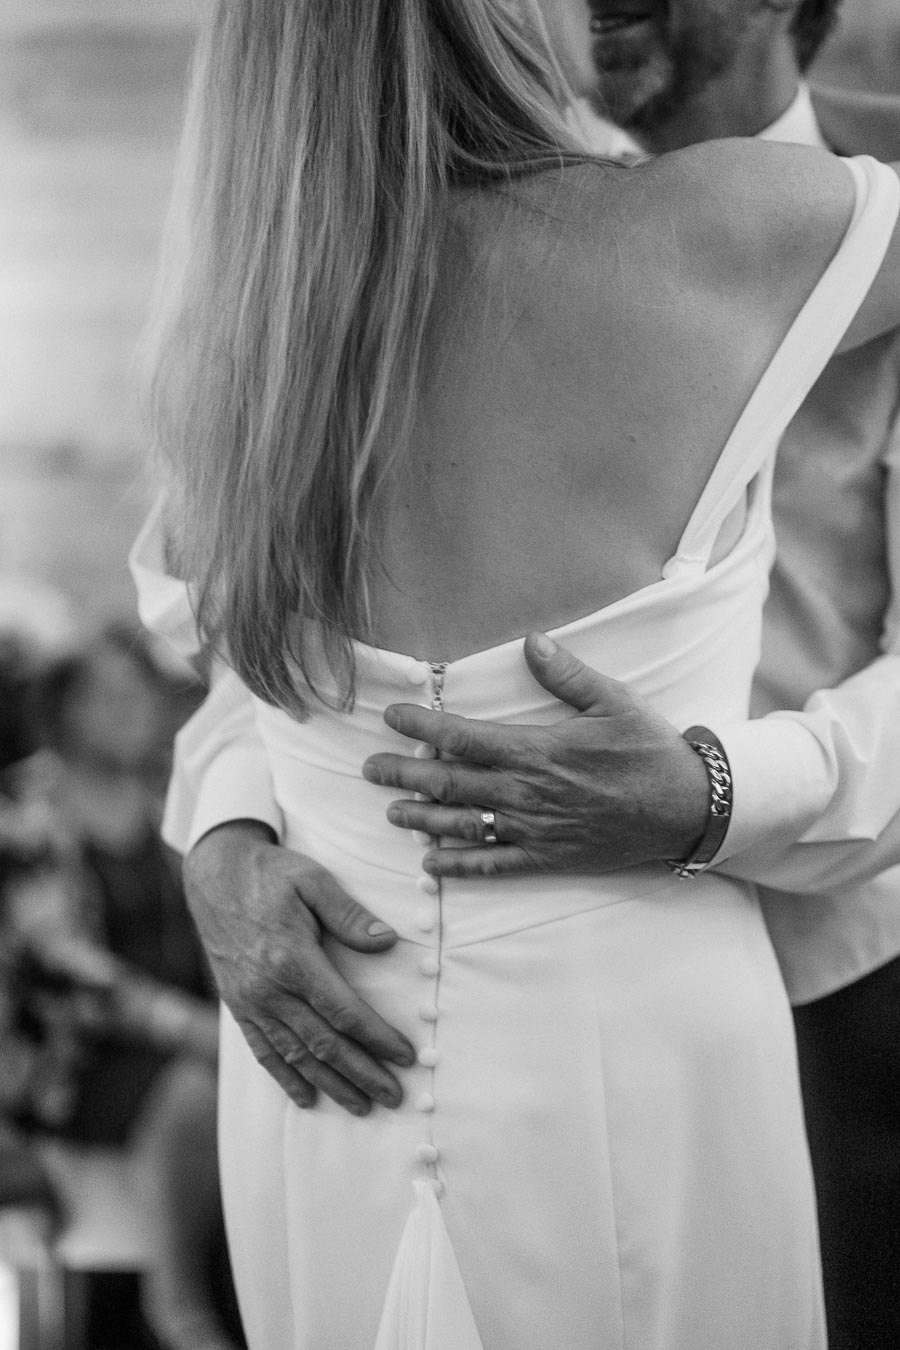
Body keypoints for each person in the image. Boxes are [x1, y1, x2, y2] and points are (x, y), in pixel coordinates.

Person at [134, 0, 900, 1345]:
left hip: (847, 978)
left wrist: (717, 791)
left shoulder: (264, 294)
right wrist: (226, 833)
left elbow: (240, 623)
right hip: (446, 1007)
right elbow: (258, 683)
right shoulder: (796, 224)